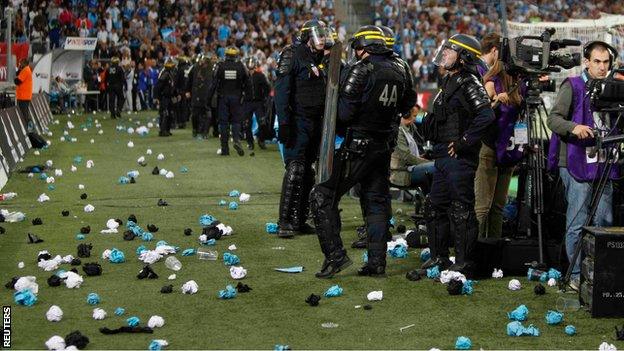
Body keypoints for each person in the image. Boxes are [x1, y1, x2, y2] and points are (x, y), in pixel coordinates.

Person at [310, 25, 416, 278]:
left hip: (358, 146)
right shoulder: (402, 69)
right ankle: (377, 263)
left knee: (322, 196)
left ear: (365, 48)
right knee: (376, 202)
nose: (355, 52)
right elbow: (407, 106)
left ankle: (335, 256)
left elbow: (344, 114)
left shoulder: (362, 70)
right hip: (383, 147)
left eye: (357, 47)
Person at [406, 34, 495, 279]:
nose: (444, 53)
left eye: (450, 50)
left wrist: (464, 142)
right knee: (434, 206)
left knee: (461, 210)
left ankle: (465, 262)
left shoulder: (469, 81)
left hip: (459, 159)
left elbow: (486, 116)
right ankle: (439, 256)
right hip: (444, 157)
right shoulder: (450, 81)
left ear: (463, 57)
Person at [546, 40, 619, 291]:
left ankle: (598, 274)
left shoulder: (614, 87)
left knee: (604, 221)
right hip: (575, 161)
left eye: (606, 62)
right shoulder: (573, 86)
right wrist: (573, 127)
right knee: (577, 221)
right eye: (597, 62)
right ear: (586, 62)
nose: (601, 67)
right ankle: (576, 275)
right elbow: (553, 119)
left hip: (603, 163)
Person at [274, 20, 330, 238]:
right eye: (319, 34)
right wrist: (285, 123)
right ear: (308, 37)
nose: (323, 38)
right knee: (296, 169)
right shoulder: (292, 55)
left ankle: (299, 219)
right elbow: (281, 93)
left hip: (316, 122)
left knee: (309, 172)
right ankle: (284, 221)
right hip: (298, 122)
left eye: (324, 34)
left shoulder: (323, 59)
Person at [475, 58, 524, 238]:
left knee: (498, 206)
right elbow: (485, 104)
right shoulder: (492, 81)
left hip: (509, 150)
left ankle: (493, 251)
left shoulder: (520, 85)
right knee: (483, 206)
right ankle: (473, 252)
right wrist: (496, 99)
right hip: (490, 148)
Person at [209, 46, 249, 156]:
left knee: (223, 123)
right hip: (237, 98)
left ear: (226, 55)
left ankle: (225, 149)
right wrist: (245, 96)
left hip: (223, 98)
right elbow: (248, 82)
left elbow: (214, 83)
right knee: (236, 121)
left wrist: (208, 99)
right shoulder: (241, 66)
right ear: (236, 55)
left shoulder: (220, 65)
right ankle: (236, 140)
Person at [389, 105, 434, 191]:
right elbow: (407, 158)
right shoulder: (398, 131)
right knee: (436, 167)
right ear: (406, 114)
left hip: (411, 168)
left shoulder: (408, 129)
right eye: (414, 116)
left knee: (440, 166)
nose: (415, 119)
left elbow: (411, 156)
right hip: (402, 173)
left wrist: (423, 157)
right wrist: (427, 162)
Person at [242, 56, 271, 150]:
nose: (250, 65)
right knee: (247, 124)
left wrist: (266, 98)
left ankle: (261, 139)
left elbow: (267, 87)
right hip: (247, 103)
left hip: (258, 102)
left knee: (262, 122)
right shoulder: (243, 76)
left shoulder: (260, 75)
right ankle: (250, 142)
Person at [186, 54, 214, 139]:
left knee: (207, 114)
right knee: (195, 114)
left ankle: (205, 132)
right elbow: (189, 80)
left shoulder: (211, 70)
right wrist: (187, 90)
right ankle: (195, 130)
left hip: (207, 95)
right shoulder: (194, 68)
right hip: (196, 94)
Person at [154, 58, 177, 137]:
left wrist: (175, 95)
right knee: (164, 113)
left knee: (170, 113)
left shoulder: (171, 73)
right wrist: (156, 97)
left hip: (170, 96)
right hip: (164, 97)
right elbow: (158, 86)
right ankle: (163, 130)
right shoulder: (164, 74)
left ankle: (167, 129)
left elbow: (173, 86)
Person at [14, 58, 33, 129]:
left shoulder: (25, 70)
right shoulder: (26, 70)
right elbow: (18, 74)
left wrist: (14, 78)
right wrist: (19, 69)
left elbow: (17, 81)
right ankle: (28, 127)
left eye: (20, 63)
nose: (19, 64)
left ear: (24, 63)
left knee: (24, 113)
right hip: (24, 96)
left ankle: (29, 128)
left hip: (23, 96)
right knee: (25, 112)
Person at [175, 55, 192, 129]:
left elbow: (177, 82)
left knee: (180, 107)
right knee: (187, 107)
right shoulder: (189, 69)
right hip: (188, 91)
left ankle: (180, 122)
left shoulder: (180, 70)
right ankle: (185, 121)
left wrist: (176, 92)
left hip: (181, 91)